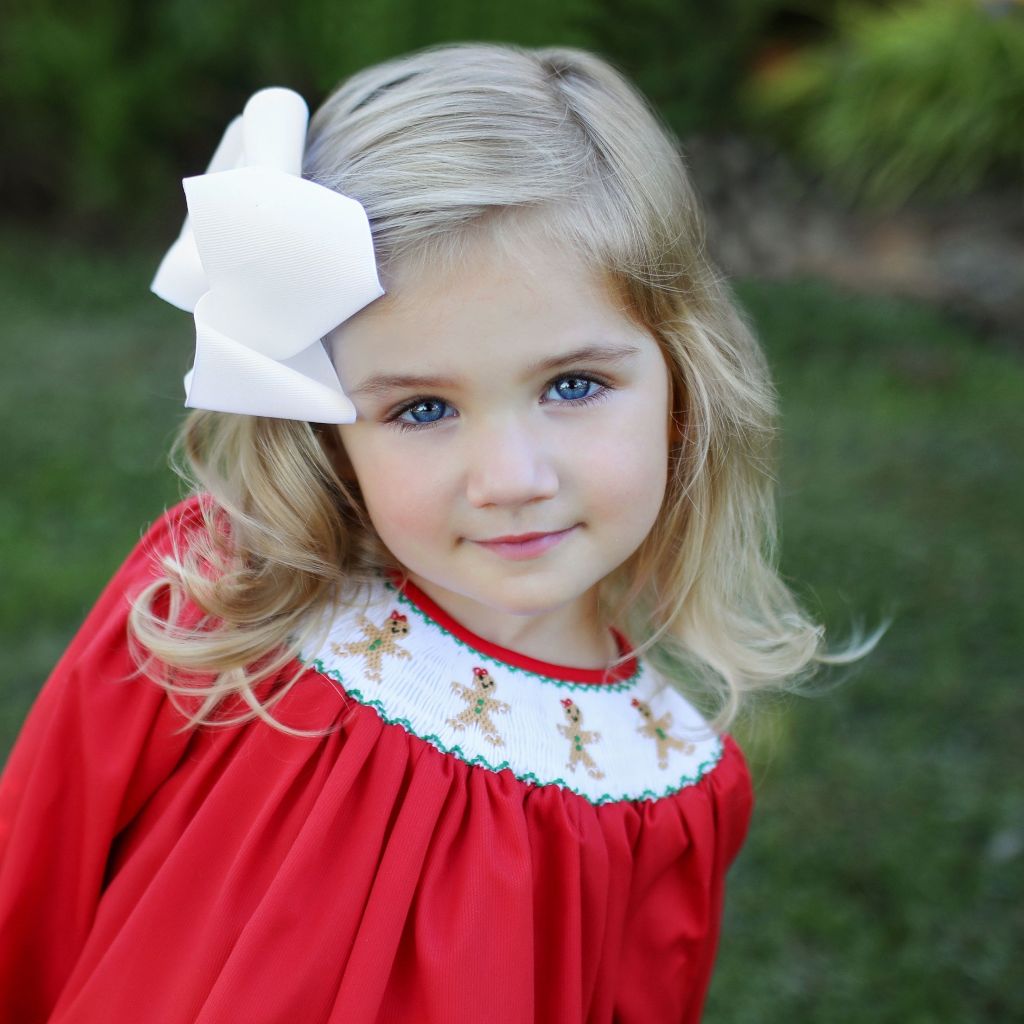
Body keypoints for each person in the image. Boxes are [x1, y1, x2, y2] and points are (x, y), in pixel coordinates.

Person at [0, 42, 882, 1023]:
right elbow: (35, 869)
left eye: (572, 385)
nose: (511, 479)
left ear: (682, 385)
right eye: (421, 408)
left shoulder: (661, 787)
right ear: (324, 425)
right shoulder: (223, 605)